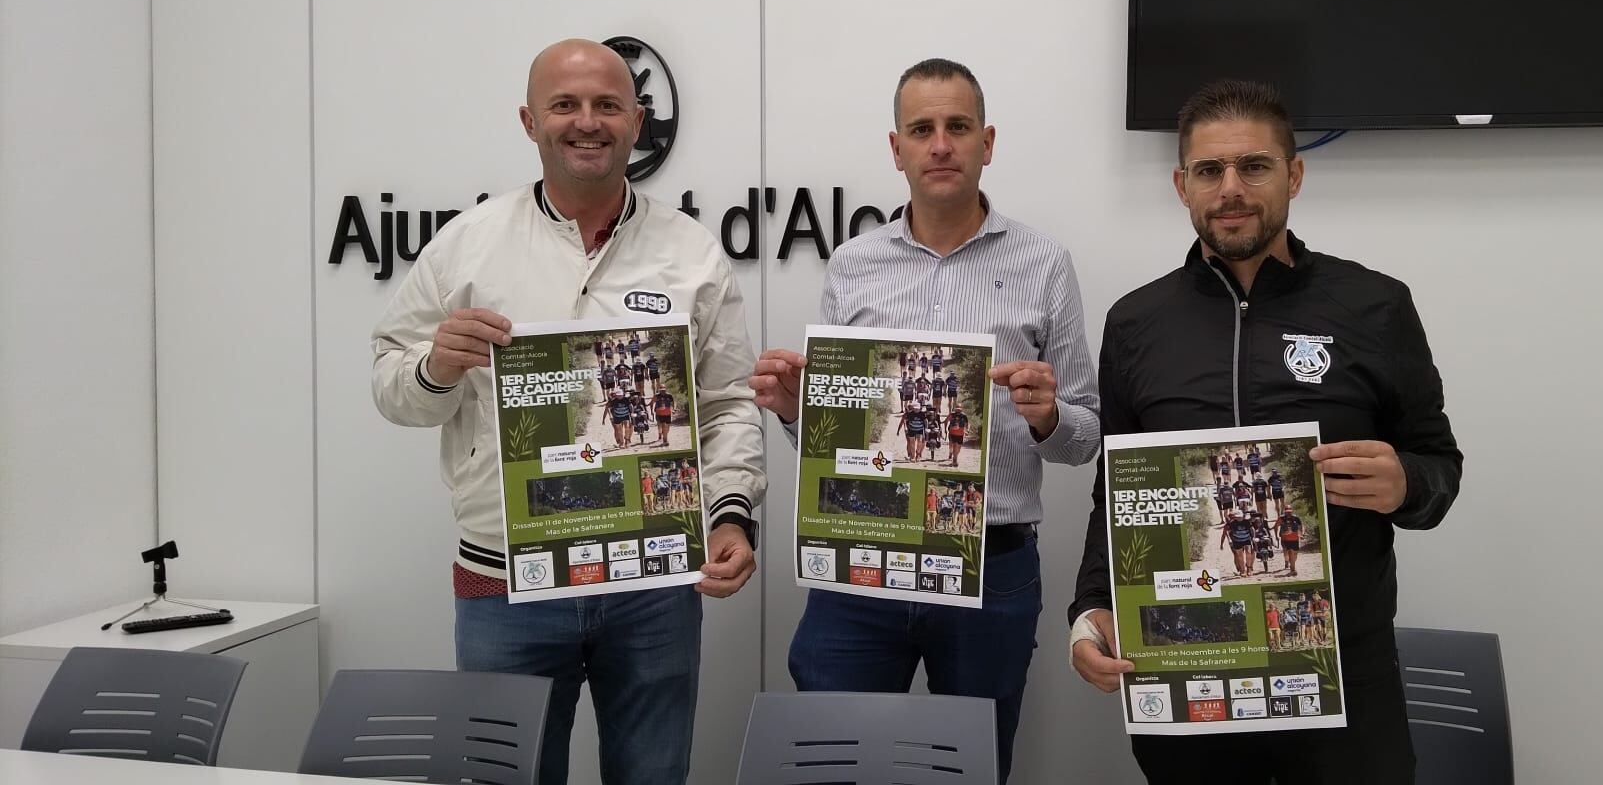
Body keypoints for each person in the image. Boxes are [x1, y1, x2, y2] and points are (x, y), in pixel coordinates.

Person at [370, 39, 765, 785]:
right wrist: (435, 368)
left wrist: (732, 514)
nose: (588, 122)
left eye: (608, 105)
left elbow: (728, 404)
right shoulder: (466, 247)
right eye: (566, 105)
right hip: (506, 586)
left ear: (637, 120)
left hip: (652, 583)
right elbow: (392, 385)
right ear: (529, 120)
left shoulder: (692, 255)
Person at [1067, 79, 1461, 784]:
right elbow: (1116, 493)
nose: (1232, 190)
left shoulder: (1374, 305)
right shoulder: (1135, 323)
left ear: (1295, 174)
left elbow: (1439, 467)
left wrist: (1406, 482)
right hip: (1190, 674)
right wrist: (1090, 608)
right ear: (1181, 185)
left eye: (1254, 166)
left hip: (1343, 681)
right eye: (1211, 171)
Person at [749, 58, 1099, 783]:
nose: (941, 144)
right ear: (897, 148)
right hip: (859, 566)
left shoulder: (1044, 263)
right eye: (922, 129)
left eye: (958, 127)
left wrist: (1046, 418)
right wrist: (793, 410)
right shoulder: (853, 263)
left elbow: (1086, 435)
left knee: (967, 769)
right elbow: (833, 431)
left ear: (987, 141)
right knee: (831, 762)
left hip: (989, 568)